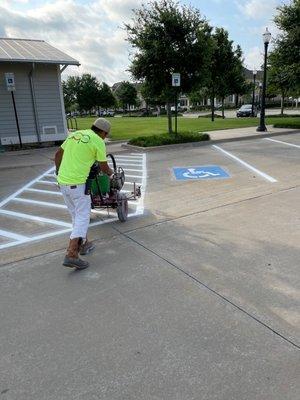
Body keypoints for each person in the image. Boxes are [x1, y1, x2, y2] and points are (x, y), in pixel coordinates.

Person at [54, 118, 113, 270]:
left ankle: (84, 243)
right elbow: (103, 166)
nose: (105, 137)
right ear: (103, 133)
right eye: (105, 135)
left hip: (63, 182)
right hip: (78, 184)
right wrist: (111, 174)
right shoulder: (98, 141)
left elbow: (58, 154)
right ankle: (72, 254)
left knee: (75, 215)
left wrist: (59, 172)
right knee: (83, 216)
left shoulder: (75, 135)